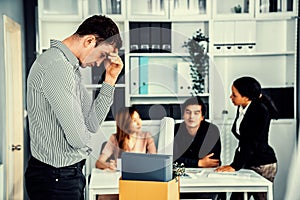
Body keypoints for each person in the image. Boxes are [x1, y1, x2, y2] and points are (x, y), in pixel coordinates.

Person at [25, 15, 123, 200]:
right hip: (56, 179)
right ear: (89, 40)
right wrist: (85, 143)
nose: (100, 63)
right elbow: (78, 139)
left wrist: (109, 80)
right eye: (102, 55)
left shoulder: (70, 68)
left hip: (62, 176)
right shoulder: (57, 66)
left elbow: (92, 123)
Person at [215, 76, 278, 200]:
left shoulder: (260, 111)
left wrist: (235, 166)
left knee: (260, 198)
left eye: (234, 95)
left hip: (262, 163)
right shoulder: (243, 107)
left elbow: (250, 141)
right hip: (248, 161)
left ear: (246, 97)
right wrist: (235, 164)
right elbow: (243, 141)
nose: (231, 97)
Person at [173, 96, 223, 199]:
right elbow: (172, 159)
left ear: (202, 116)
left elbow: (212, 162)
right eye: (188, 112)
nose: (191, 116)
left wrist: (186, 160)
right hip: (181, 175)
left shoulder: (212, 130)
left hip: (207, 177)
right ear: (183, 114)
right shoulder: (175, 129)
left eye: (196, 113)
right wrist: (198, 163)